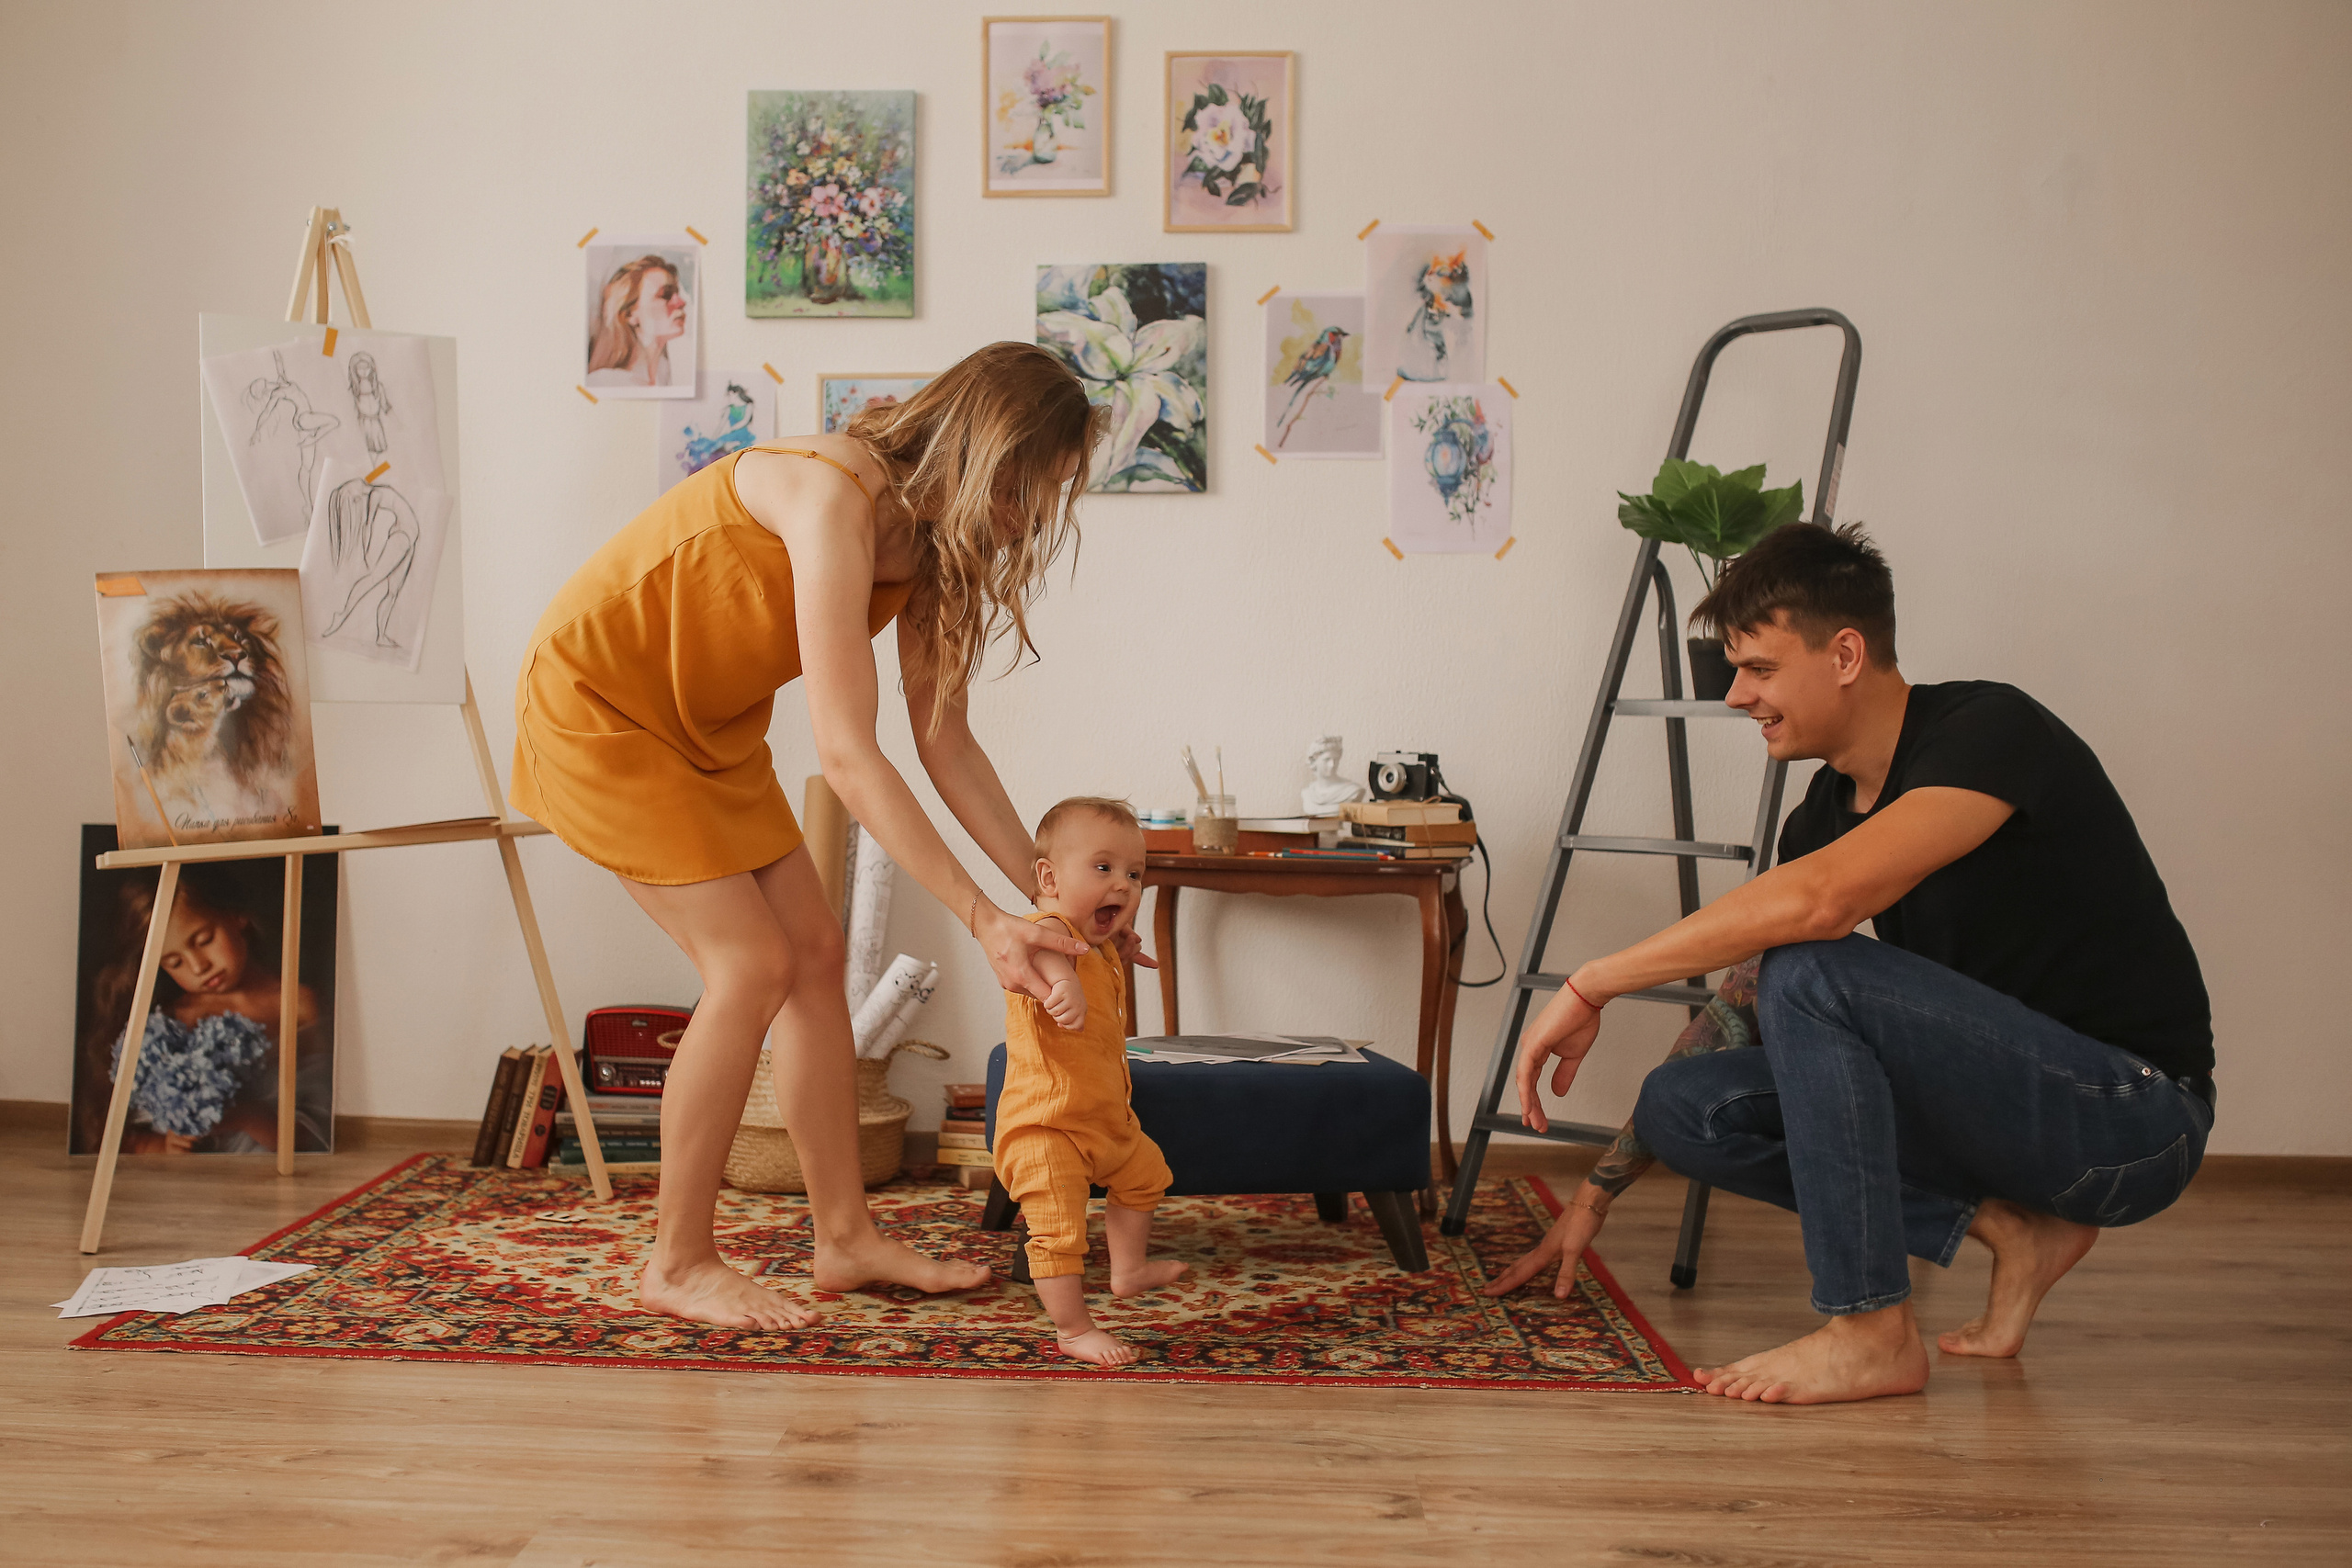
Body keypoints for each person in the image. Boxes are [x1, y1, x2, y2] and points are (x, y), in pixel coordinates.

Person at [1496, 521, 2214, 1404]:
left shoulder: (1990, 729)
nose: (1734, 697)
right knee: (1684, 1105)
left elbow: (1818, 907)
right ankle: (2013, 1232)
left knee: (1814, 965)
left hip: (2134, 1119)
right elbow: (1741, 993)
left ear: (1844, 653)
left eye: (1758, 669)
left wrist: (1592, 980)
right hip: (2007, 1123)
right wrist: (1595, 1197)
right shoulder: (1827, 811)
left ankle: (1870, 1330)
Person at [511, 341, 1123, 1331]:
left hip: (702, 727)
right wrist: (980, 918)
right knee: (749, 965)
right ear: (983, 453)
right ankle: (677, 1259)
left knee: (815, 955)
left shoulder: (930, 549)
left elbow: (944, 742)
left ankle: (843, 1239)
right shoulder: (835, 494)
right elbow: (848, 755)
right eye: (1026, 489)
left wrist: (1051, 900)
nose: (1030, 519)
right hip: (601, 704)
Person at [992, 797, 1188, 1367]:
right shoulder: (1044, 930)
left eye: (1134, 874)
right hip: (1045, 1126)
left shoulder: (1094, 946)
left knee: (1147, 1176)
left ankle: (1127, 1271)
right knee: (1057, 1232)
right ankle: (1074, 1330)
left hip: (1103, 1118)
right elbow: (1047, 951)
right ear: (1049, 878)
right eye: (1103, 869)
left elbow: (1086, 953)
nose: (1123, 886)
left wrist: (1118, 949)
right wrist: (1065, 984)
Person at [76, 864, 331, 1157]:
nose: (199, 966)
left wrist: (243, 1116)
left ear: (237, 916)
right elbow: (126, 1141)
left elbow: (314, 1137)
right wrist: (166, 1146)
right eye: (174, 962)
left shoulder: (299, 1004)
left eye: (204, 940)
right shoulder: (170, 1024)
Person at [585, 254, 688, 389]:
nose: (681, 302)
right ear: (629, 314)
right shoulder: (604, 383)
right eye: (665, 294)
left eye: (677, 293)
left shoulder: (667, 377)